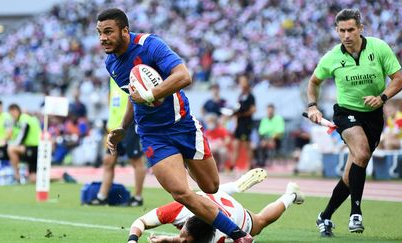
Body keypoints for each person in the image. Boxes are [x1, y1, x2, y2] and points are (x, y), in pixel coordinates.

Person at [96, 8, 253, 242]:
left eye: (108, 32)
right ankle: (240, 235)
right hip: (153, 135)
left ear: (125, 30)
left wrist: (151, 94)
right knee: (181, 193)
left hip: (184, 125)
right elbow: (133, 95)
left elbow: (184, 76)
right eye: (99, 33)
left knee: (211, 187)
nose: (103, 38)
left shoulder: (150, 45)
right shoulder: (111, 64)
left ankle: (210, 198)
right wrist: (123, 127)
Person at [306, 9, 402, 236]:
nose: (347, 35)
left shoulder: (379, 48)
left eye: (351, 29)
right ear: (337, 31)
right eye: (342, 30)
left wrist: (382, 97)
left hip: (374, 116)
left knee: (351, 173)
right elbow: (314, 82)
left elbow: (399, 80)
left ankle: (325, 216)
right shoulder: (332, 57)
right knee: (361, 152)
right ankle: (355, 214)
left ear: (361, 29)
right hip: (345, 113)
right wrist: (312, 106)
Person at [126, 168, 304, 243]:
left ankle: (291, 194)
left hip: (237, 217)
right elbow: (140, 221)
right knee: (202, 193)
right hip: (211, 197)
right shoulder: (180, 209)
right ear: (186, 221)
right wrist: (132, 240)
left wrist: (169, 240)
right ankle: (234, 186)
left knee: (261, 222)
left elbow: (185, 240)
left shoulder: (221, 239)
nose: (181, 237)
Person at [89, 78, 146, 206]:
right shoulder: (112, 76)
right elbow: (112, 99)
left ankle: (137, 198)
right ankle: (102, 196)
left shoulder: (129, 71)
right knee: (108, 161)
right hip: (114, 125)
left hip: (130, 124)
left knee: (136, 160)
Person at [7, 104, 42, 183]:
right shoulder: (19, 120)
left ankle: (17, 175)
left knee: (11, 149)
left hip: (34, 147)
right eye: (10, 114)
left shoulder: (24, 119)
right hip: (31, 148)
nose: (12, 115)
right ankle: (60, 178)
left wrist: (13, 144)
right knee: (33, 179)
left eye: (13, 113)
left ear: (17, 111)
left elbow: (22, 135)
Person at [231, 74, 256, 171]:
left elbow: (253, 110)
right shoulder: (240, 96)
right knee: (236, 144)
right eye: (240, 81)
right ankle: (232, 166)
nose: (241, 83)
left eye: (243, 81)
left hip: (246, 124)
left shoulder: (250, 96)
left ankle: (249, 165)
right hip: (239, 124)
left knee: (246, 145)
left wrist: (242, 114)